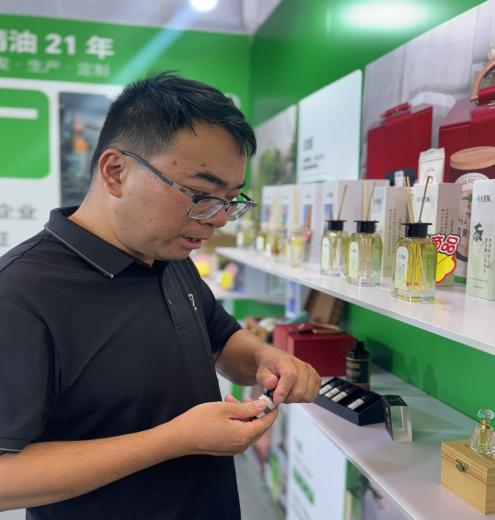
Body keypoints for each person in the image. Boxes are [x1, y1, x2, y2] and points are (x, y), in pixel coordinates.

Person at [0, 72, 320, 520]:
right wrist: (176, 440)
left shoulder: (169, 254)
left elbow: (221, 342)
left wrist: (266, 357)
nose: (219, 219)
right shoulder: (20, 292)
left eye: (231, 199)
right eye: (202, 194)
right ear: (116, 172)